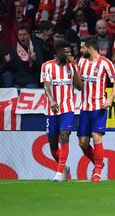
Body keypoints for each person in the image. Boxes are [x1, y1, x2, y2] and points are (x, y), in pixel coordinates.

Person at [77, 36, 115, 182]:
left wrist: (110, 99)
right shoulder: (81, 62)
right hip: (84, 108)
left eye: (83, 47)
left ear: (90, 47)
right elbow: (77, 83)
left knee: (96, 137)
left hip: (99, 106)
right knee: (82, 143)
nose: (80, 50)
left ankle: (97, 172)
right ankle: (98, 162)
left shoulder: (106, 63)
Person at [40, 40, 82, 182]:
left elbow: (80, 86)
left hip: (68, 108)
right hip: (51, 110)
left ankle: (59, 173)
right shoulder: (47, 66)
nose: (70, 54)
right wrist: (51, 101)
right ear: (58, 53)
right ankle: (63, 167)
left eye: (71, 51)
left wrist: (75, 68)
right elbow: (47, 85)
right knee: (52, 145)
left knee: (65, 135)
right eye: (67, 52)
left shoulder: (72, 66)